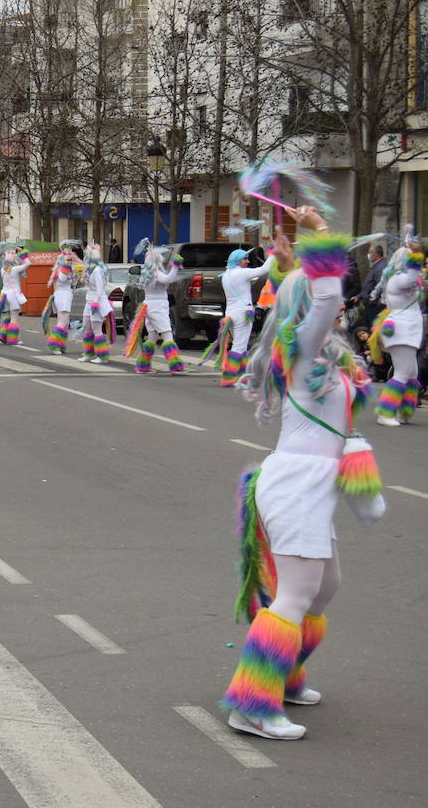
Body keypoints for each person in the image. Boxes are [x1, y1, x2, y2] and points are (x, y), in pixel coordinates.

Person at [220, 210, 381, 741]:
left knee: (323, 587)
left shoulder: (324, 360)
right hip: (296, 484)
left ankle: (283, 675)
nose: (331, 311)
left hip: (313, 484)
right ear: (307, 309)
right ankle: (252, 704)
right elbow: (332, 298)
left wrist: (293, 262)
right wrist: (317, 238)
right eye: (317, 301)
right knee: (296, 593)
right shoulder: (302, 352)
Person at [369, 230, 424, 426]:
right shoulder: (399, 280)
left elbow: (416, 281)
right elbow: (412, 277)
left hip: (408, 329)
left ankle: (403, 411)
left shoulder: (405, 281)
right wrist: (416, 254)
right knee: (403, 371)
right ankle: (385, 412)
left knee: (412, 373)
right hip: (401, 330)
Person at [202, 247, 275, 388]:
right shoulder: (241, 273)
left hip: (230, 313)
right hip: (243, 313)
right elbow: (264, 270)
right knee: (240, 345)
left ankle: (242, 376)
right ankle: (230, 376)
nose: (248, 261)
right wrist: (273, 254)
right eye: (245, 259)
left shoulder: (226, 274)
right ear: (237, 260)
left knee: (239, 344)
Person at [125, 242, 186, 374]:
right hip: (158, 307)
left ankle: (143, 365)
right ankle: (175, 364)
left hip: (149, 305)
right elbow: (167, 279)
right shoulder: (155, 272)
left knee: (152, 336)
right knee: (167, 334)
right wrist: (175, 266)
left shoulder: (147, 273)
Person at [80, 244, 115, 364]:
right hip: (89, 301)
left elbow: (100, 290)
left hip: (97, 301)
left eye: (86, 256)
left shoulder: (97, 270)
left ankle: (102, 356)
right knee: (86, 327)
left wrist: (95, 303)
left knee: (97, 329)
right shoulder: (90, 270)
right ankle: (88, 353)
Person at [44, 244, 80, 355]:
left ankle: (60, 345)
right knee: (62, 321)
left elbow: (74, 282)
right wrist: (69, 270)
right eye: (68, 259)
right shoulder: (62, 270)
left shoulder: (67, 269)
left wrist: (74, 273)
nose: (70, 261)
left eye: (70, 259)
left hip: (66, 295)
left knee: (65, 322)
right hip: (62, 296)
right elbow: (63, 279)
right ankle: (54, 345)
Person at [0, 248, 29, 346]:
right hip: (13, 295)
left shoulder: (2, 270)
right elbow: (27, 264)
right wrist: (22, 253)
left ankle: (3, 334)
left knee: (8, 316)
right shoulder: (15, 269)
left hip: (4, 294)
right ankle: (13, 339)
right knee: (14, 318)